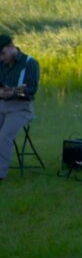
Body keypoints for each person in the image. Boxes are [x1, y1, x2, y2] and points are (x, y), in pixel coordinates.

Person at [0, 35, 40, 183]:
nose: (1, 58)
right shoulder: (1, 64)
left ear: (11, 47)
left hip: (21, 108)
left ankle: (0, 173)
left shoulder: (29, 63)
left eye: (2, 53)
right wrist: (9, 91)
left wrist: (13, 92)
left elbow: (30, 90)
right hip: (2, 104)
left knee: (4, 136)